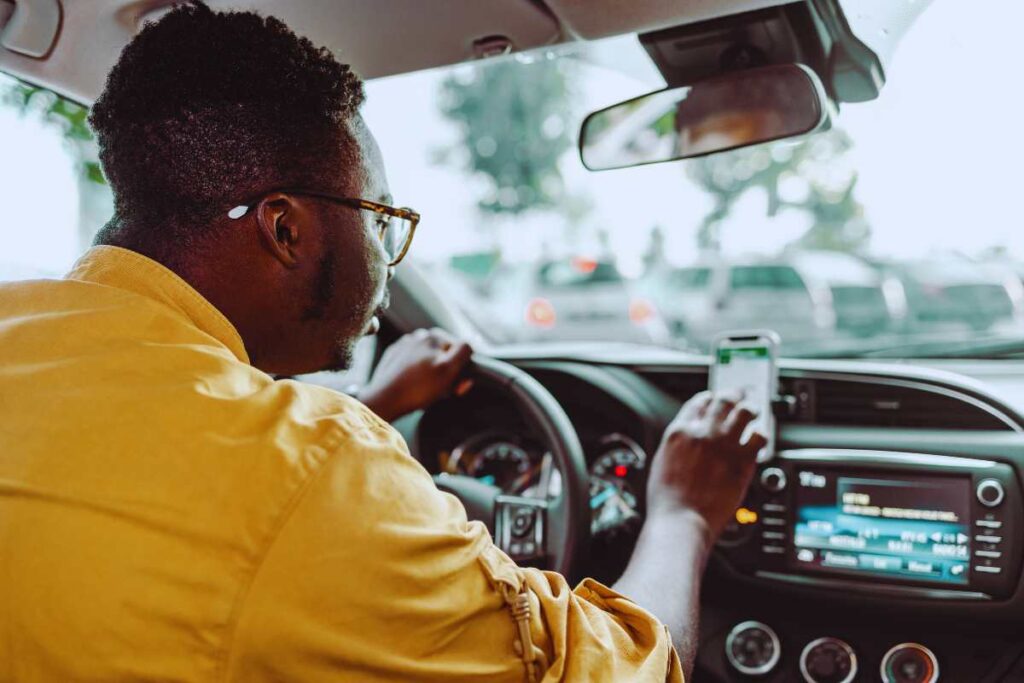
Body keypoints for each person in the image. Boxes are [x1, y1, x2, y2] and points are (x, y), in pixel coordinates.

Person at [0, 3, 764, 681]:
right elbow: (625, 669)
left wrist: (378, 402)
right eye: (380, 217)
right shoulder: (320, 468)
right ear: (287, 228)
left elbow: (169, 464)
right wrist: (683, 512)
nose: (386, 257)